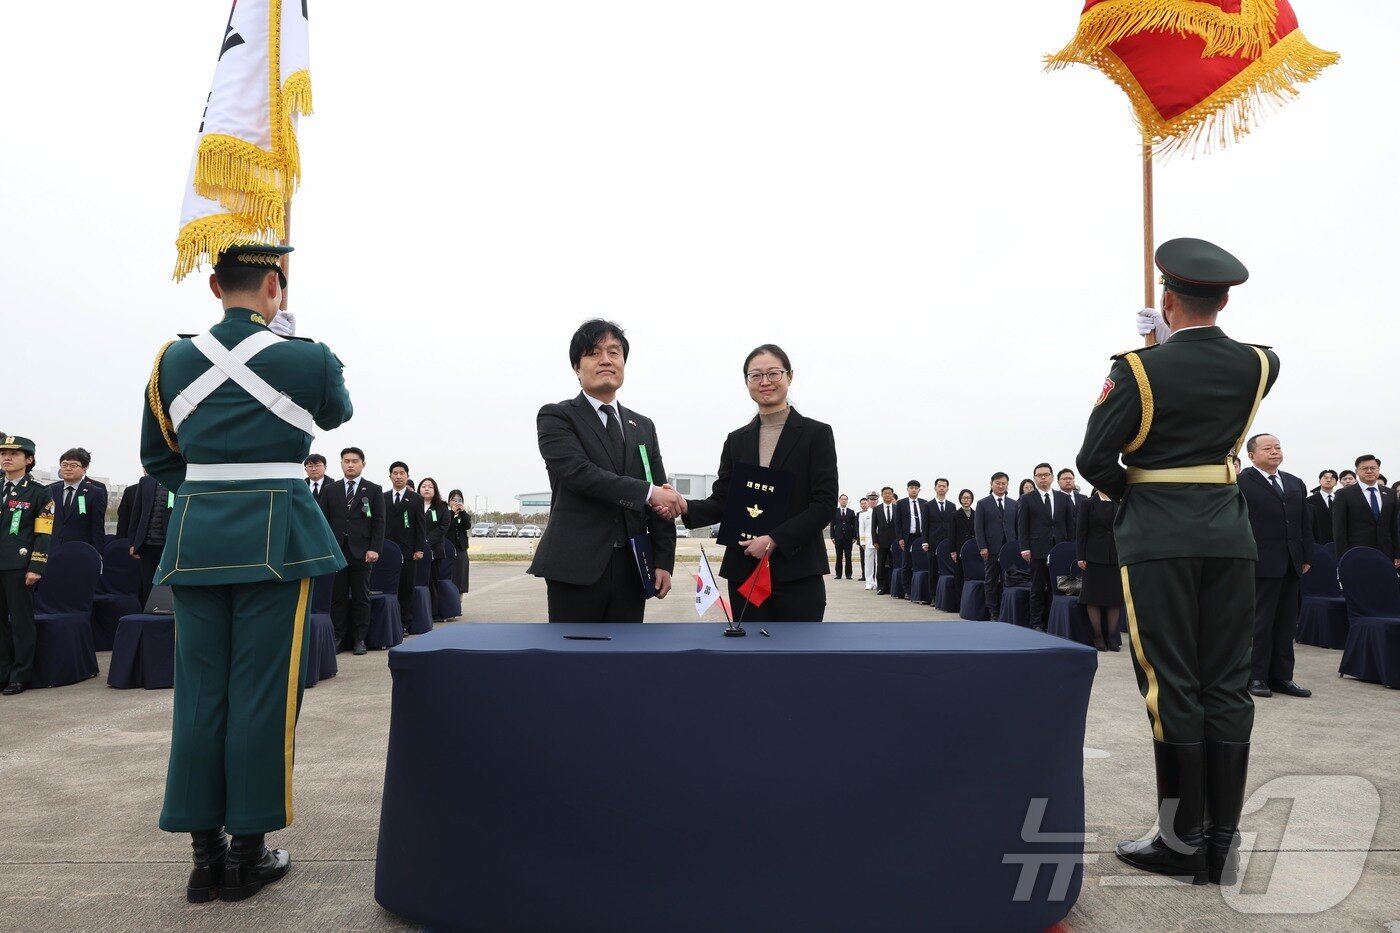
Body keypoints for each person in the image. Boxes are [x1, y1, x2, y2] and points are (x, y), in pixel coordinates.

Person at [140, 243, 351, 903]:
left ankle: (204, 856)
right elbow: (337, 413)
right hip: (276, 538)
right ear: (273, 286)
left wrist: (212, 492)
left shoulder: (170, 360)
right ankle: (248, 855)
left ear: (211, 286)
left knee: (199, 695)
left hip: (197, 539)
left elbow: (158, 457)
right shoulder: (309, 357)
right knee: (263, 694)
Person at [1078, 237, 1277, 888]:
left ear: (1167, 300)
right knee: (1226, 682)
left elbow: (1094, 459)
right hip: (1228, 533)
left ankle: (1181, 838)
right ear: (1223, 299)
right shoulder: (1260, 363)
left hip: (1159, 536)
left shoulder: (1136, 370)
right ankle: (1222, 844)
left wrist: (1138, 490)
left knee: (1172, 686)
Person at [664, 344, 836, 621]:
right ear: (746, 382)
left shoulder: (816, 434)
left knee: (799, 658)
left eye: (773, 373)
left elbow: (824, 504)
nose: (765, 382)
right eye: (755, 375)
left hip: (798, 571)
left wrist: (775, 540)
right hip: (745, 572)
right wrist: (684, 506)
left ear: (790, 376)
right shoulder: (737, 440)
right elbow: (723, 500)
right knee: (750, 657)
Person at [527, 319, 678, 621]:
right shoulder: (557, 416)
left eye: (614, 352)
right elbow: (580, 474)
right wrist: (648, 494)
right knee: (575, 660)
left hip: (633, 567)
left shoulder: (642, 426)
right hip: (575, 566)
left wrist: (663, 560)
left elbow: (658, 488)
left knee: (627, 662)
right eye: (594, 353)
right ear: (576, 367)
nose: (606, 360)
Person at [1238, 434, 1313, 699]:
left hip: (1291, 562)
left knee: (1286, 622)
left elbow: (1304, 522)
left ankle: (1282, 676)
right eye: (1267, 448)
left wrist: (1306, 556)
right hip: (1258, 562)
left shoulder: (1294, 482)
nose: (1274, 451)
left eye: (1278, 447)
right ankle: (1255, 676)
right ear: (1251, 455)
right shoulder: (1241, 482)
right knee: (1260, 622)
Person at [0, 436, 54, 695]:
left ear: (29, 459)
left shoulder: (39, 491)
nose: (6, 458)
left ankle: (19, 675)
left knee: (21, 622)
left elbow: (43, 534)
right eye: (3, 454)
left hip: (18, 565)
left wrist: (36, 566)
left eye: (14, 453)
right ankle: (2, 671)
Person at [322, 447, 384, 655]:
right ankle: (338, 637)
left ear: (363, 464)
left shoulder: (373, 489)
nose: (350, 464)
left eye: (355, 461)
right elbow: (324, 521)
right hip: (338, 551)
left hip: (363, 551)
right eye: (346, 461)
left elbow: (378, 522)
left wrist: (374, 548)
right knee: (337, 597)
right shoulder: (331, 490)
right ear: (340, 464)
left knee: (361, 596)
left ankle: (360, 639)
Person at [1017, 463, 1073, 631]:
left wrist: (1071, 547)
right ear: (1034, 478)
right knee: (1038, 587)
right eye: (1039, 475)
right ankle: (1037, 623)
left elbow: (1070, 525)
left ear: (1052, 477)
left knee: (1059, 587)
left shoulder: (1063, 498)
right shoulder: (1027, 499)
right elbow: (1022, 525)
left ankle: (1053, 621)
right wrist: (1024, 547)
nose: (1043, 477)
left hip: (1060, 550)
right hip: (1037, 549)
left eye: (1046, 474)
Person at [1074, 488, 1122, 651]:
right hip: (1093, 556)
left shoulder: (1119, 501)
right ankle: (1098, 636)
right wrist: (1080, 555)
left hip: (1116, 555)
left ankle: (1111, 637)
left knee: (1114, 598)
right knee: (1093, 597)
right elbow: (1081, 531)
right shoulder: (1088, 503)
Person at [1332, 454, 1399, 565]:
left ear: (1378, 470)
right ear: (1357, 471)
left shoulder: (1390, 494)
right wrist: (1343, 557)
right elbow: (1339, 529)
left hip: (1386, 552)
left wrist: (1397, 553)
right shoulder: (1344, 494)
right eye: (1364, 468)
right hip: (1356, 552)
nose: (1369, 471)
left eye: (1373, 468)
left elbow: (1394, 527)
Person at [384, 462, 427, 629]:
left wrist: (419, 549)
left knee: (406, 587)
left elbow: (420, 526)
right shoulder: (382, 497)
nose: (398, 476)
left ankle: (405, 622)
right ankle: (390, 621)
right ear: (390, 477)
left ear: (407, 476)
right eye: (395, 473)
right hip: (387, 550)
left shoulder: (416, 499)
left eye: (402, 473)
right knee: (388, 586)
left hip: (409, 551)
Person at [973, 473, 1018, 621]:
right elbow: (979, 528)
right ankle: (993, 611)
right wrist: (982, 547)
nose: (1000, 486)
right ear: (991, 484)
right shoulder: (982, 503)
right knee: (991, 580)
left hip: (1010, 548)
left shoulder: (1014, 504)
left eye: (1003, 483)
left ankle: (1007, 609)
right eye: (997, 483)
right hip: (991, 548)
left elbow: (1017, 527)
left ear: (1007, 485)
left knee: (1010, 580)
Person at [123, 473, 174, 605]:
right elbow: (137, 513)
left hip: (171, 544)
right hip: (147, 544)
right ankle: (148, 618)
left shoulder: (178, 478)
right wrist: (133, 542)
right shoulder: (146, 481)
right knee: (147, 585)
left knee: (170, 584)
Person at [48, 447, 108, 551]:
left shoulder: (95, 493)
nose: (68, 468)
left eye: (73, 465)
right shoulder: (50, 490)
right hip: (52, 548)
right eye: (64, 465)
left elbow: (97, 528)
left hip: (81, 549)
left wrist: (97, 553)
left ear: (84, 469)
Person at [417, 477, 451, 620]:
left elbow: (443, 527)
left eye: (430, 486)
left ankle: (433, 612)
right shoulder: (414, 504)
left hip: (434, 551)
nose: (426, 488)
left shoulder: (442, 506)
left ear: (435, 490)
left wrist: (426, 541)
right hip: (415, 551)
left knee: (432, 582)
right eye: (424, 486)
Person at [894, 480, 929, 596]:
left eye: (916, 488)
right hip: (908, 537)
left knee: (922, 563)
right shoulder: (901, 503)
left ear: (919, 490)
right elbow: (897, 523)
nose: (914, 489)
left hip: (922, 537)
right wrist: (900, 538)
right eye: (911, 487)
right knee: (907, 564)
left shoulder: (925, 503)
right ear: (907, 489)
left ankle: (921, 590)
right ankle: (907, 590)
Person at [948, 488, 977, 598]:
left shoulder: (976, 513)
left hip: (973, 549)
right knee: (959, 576)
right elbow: (951, 534)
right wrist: (953, 551)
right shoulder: (955, 515)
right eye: (964, 498)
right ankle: (959, 601)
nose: (966, 500)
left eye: (968, 498)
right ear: (960, 499)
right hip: (960, 549)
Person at [872, 486, 898, 594]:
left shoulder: (897, 508)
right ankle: (881, 586)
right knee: (881, 564)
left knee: (894, 564)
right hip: (881, 542)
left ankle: (893, 586)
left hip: (895, 541)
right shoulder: (877, 509)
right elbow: (873, 527)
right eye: (885, 493)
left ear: (892, 495)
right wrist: (875, 541)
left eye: (889, 493)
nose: (887, 495)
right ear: (882, 495)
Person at [446, 489, 471, 595]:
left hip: (461, 549)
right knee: (450, 575)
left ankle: (459, 600)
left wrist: (463, 512)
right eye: (453, 499)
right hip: (448, 548)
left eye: (459, 499)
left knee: (461, 575)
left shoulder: (464, 515)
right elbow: (446, 525)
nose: (456, 502)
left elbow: (467, 525)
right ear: (449, 502)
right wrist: (452, 512)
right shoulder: (446, 514)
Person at [923, 478, 955, 560]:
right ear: (935, 488)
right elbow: (925, 524)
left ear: (947, 489)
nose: (941, 488)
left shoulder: (952, 506)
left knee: (947, 564)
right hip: (932, 541)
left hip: (947, 540)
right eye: (939, 486)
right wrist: (924, 541)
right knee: (933, 566)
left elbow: (953, 525)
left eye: (944, 486)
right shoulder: (927, 505)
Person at [1306, 469, 1337, 546]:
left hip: (1339, 542)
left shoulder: (1341, 499)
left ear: (1336, 482)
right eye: (1325, 478)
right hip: (1318, 542)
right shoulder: (1309, 501)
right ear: (1319, 481)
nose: (1329, 480)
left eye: (1332, 478)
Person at [830, 494, 857, 580]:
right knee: (839, 556)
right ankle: (838, 574)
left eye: (845, 499)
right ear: (839, 500)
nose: (844, 501)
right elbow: (832, 525)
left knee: (848, 556)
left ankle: (848, 574)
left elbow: (854, 526)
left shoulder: (851, 512)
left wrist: (854, 537)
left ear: (847, 501)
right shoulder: (835, 511)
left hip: (848, 538)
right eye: (842, 499)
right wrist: (832, 537)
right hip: (838, 538)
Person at [857, 495, 874, 588]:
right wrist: (862, 542)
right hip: (868, 541)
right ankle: (868, 581)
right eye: (871, 500)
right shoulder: (863, 515)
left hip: (878, 542)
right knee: (868, 563)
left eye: (875, 499)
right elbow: (861, 530)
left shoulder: (879, 511)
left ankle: (876, 581)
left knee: (878, 563)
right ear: (868, 501)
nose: (873, 501)